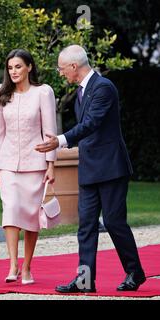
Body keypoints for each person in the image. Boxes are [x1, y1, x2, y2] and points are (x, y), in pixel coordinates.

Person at [35, 44, 145, 292]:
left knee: (115, 222)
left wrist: (60, 141)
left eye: (62, 68)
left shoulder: (103, 88)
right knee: (86, 226)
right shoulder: (82, 92)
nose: (61, 73)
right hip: (89, 170)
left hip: (110, 168)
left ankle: (135, 272)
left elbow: (92, 123)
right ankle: (85, 280)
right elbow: (86, 129)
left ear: (74, 66)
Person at [0, 49, 57, 285]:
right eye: (10, 68)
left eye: (18, 66)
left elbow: (50, 130)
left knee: (30, 217)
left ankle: (27, 267)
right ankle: (12, 265)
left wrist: (51, 164)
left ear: (29, 66)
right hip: (8, 163)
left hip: (36, 164)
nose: (14, 71)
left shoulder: (43, 92)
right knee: (10, 211)